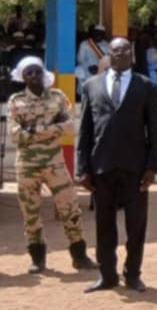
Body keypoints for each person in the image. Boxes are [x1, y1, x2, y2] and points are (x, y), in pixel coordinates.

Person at [77, 38, 157, 293]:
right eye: (117, 50)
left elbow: (154, 130)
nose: (122, 53)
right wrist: (83, 168)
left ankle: (133, 274)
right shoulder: (91, 85)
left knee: (136, 224)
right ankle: (107, 275)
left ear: (132, 55)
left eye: (126, 50)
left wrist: (151, 167)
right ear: (109, 55)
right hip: (101, 166)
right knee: (104, 224)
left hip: (135, 167)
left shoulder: (144, 85)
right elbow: (85, 131)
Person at [7, 57, 96, 273]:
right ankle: (38, 259)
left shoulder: (58, 97)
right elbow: (15, 134)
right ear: (22, 76)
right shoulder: (15, 101)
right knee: (31, 212)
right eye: (28, 73)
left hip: (55, 163)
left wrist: (34, 131)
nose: (34, 76)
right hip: (27, 165)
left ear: (43, 73)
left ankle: (79, 255)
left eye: (37, 71)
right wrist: (50, 128)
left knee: (70, 208)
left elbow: (69, 127)